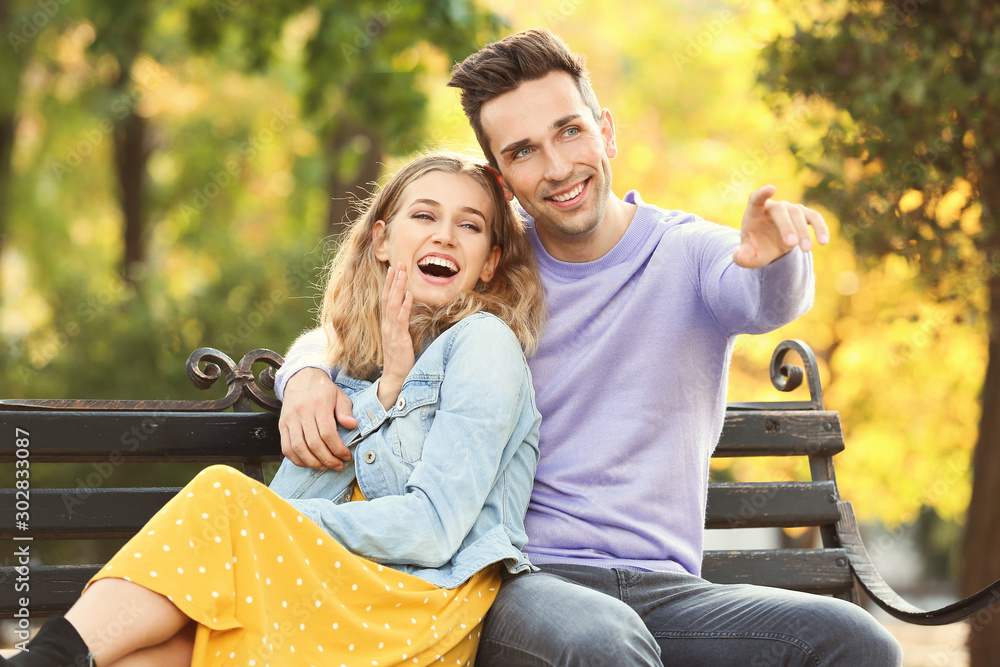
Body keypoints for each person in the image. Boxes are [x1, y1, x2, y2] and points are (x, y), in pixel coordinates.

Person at [274, 29, 904, 666]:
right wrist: (304, 373)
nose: (556, 166)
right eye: (524, 151)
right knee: (600, 640)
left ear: (606, 130)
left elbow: (762, 299)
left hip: (670, 593)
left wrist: (778, 260)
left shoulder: (689, 253)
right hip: (520, 583)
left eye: (569, 131)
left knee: (855, 641)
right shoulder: (493, 265)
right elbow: (355, 325)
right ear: (502, 178)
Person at [0, 152, 546, 667]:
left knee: (222, 494)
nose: (444, 235)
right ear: (382, 240)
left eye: (470, 225)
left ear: (490, 262)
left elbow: (432, 529)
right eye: (424, 214)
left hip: (419, 610)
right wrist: (376, 380)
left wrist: (263, 524)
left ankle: (40, 656)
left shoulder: (485, 345)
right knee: (159, 642)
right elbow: (316, 371)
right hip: (323, 589)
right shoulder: (350, 360)